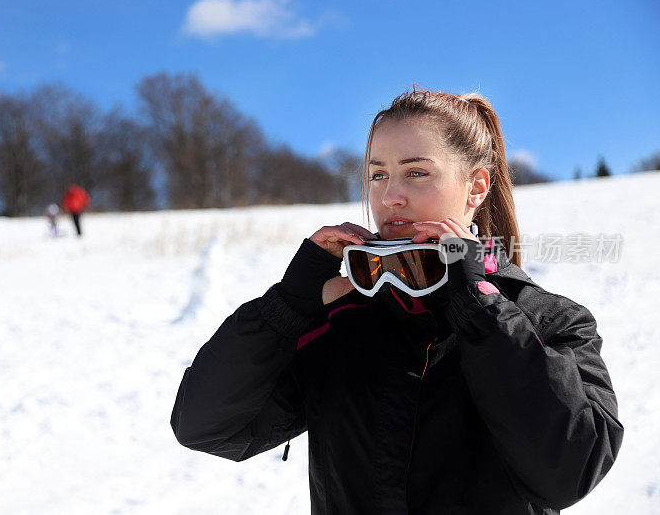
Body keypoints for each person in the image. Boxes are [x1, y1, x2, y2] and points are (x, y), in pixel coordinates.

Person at [170, 88, 623, 514]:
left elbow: (570, 471)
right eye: (377, 175)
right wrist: (288, 305)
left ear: (477, 187)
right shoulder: (341, 324)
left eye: (416, 172)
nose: (390, 197)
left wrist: (480, 309)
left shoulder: (550, 320)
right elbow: (204, 426)